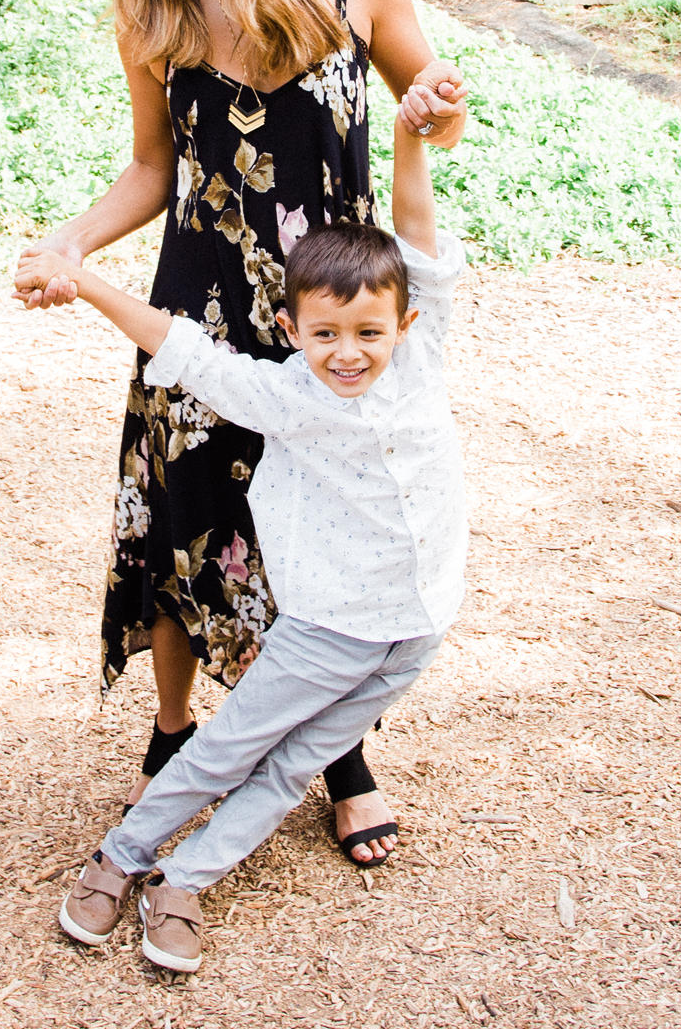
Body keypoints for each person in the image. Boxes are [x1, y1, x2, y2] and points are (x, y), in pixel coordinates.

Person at [18, 0, 466, 865]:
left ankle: (341, 755)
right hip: (200, 304)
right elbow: (149, 170)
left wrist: (434, 109)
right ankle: (172, 736)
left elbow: (436, 113)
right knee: (176, 510)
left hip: (331, 316)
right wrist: (70, 242)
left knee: (327, 530)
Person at [23, 103, 466, 972]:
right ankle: (119, 855)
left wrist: (411, 134)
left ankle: (187, 877)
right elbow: (183, 347)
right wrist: (89, 283)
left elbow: (416, 228)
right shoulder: (285, 395)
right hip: (329, 623)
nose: (347, 352)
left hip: (419, 622)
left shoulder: (421, 355)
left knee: (293, 765)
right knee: (228, 748)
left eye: (368, 333)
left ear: (403, 327)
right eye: (325, 334)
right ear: (293, 330)